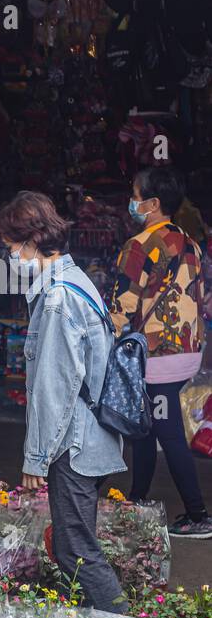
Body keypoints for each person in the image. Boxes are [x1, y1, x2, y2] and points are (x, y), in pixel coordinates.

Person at [0, 191, 127, 612]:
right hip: (91, 439)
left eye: (11, 246)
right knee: (74, 547)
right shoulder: (76, 280)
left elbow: (55, 387)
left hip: (74, 444)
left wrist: (36, 458)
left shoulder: (56, 299)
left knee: (76, 553)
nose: (9, 255)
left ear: (33, 240)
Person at [107, 166, 211, 538]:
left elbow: (122, 304)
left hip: (156, 358)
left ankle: (198, 515)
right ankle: (137, 499)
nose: (131, 202)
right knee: (145, 431)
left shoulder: (140, 245)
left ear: (152, 203)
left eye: (135, 195)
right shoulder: (190, 242)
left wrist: (105, 341)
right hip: (187, 351)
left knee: (165, 432)